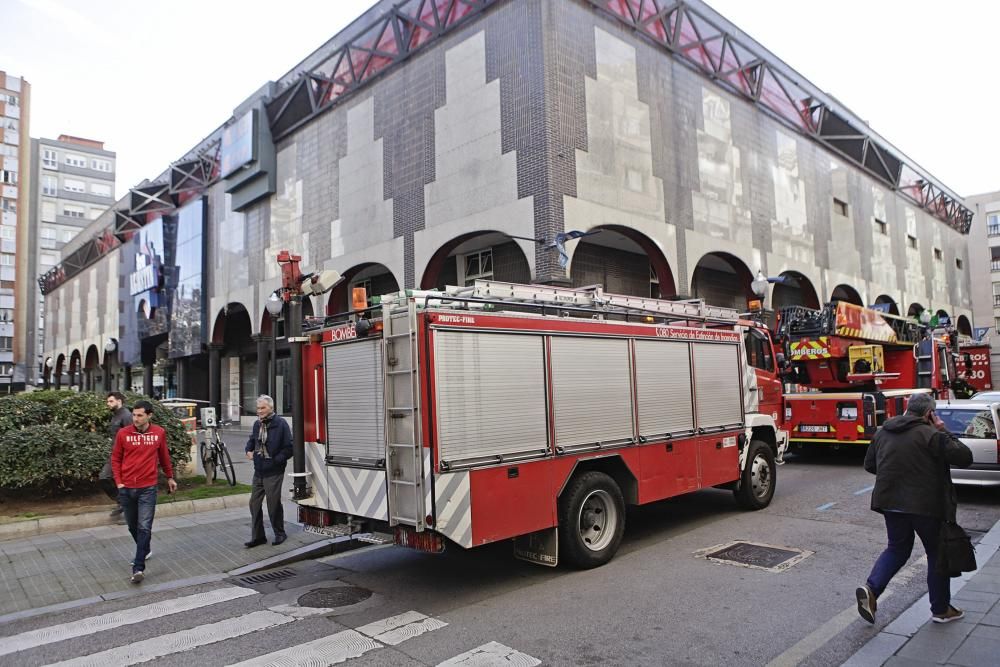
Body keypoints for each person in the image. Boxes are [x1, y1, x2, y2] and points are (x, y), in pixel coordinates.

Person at [856, 392, 973, 625]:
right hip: (925, 505)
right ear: (930, 414)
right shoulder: (932, 434)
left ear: (908, 409)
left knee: (897, 549)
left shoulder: (883, 431)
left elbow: (870, 465)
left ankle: (872, 589)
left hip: (890, 503)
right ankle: (941, 609)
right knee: (937, 553)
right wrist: (943, 430)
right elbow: (964, 457)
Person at [111, 399, 177, 584]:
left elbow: (164, 456)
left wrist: (170, 477)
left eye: (140, 415)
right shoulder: (124, 433)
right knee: (132, 526)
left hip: (148, 488)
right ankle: (145, 549)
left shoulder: (159, 433)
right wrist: (119, 483)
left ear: (149, 416)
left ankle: (138, 568)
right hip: (126, 488)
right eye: (134, 415)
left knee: (144, 526)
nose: (136, 419)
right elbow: (116, 459)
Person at [244, 395, 293, 548]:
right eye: (258, 408)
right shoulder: (257, 424)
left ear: (271, 408)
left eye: (263, 408)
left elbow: (289, 448)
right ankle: (259, 537)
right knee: (254, 504)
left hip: (274, 471)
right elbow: (252, 440)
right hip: (258, 470)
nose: (259, 411)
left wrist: (275, 460)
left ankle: (280, 533)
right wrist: (248, 450)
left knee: (273, 504)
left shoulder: (281, 424)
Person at [99, 392, 133, 519]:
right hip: (115, 454)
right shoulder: (115, 415)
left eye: (111, 401)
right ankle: (123, 502)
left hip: (125, 455)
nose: (108, 404)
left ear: (119, 401)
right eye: (107, 401)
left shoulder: (127, 416)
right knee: (104, 477)